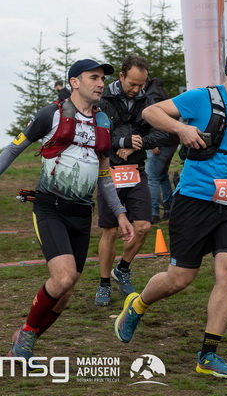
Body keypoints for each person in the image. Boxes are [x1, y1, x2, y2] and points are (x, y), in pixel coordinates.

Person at [113, 44, 227, 379]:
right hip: (195, 200)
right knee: (180, 279)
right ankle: (138, 305)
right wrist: (181, 128)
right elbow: (151, 112)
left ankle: (208, 355)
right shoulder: (203, 98)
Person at [0, 59, 135, 370]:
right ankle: (26, 333)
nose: (100, 83)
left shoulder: (103, 121)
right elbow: (13, 148)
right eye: (93, 77)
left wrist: (121, 213)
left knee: (66, 292)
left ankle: (23, 344)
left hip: (82, 213)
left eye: (102, 78)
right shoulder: (51, 114)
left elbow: (104, 175)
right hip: (50, 206)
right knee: (64, 277)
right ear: (74, 82)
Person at [95, 55, 171, 307]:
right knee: (110, 231)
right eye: (133, 84)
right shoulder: (103, 99)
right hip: (109, 172)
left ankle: (123, 269)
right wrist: (121, 142)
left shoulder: (146, 100)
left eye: (141, 84)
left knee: (143, 227)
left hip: (136, 170)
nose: (137, 89)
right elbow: (95, 134)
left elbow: (162, 132)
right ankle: (104, 283)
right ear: (121, 76)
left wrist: (139, 143)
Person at [146, 141, 179, 223]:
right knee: (162, 176)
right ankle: (168, 209)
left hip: (160, 144)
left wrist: (153, 144)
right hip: (171, 142)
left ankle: (154, 213)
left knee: (152, 178)